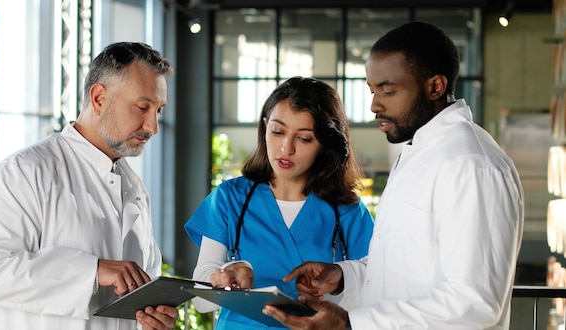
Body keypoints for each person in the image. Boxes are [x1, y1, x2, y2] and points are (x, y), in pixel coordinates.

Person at [263, 21, 525, 329]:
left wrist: (351, 322)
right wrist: (344, 276)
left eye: (388, 91)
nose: (375, 105)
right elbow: (399, 267)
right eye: (373, 91)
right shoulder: (418, 152)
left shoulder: (472, 165)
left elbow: (474, 302)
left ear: (435, 87)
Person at [0, 42, 178, 330]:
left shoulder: (135, 188)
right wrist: (94, 270)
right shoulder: (23, 173)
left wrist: (151, 318)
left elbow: (139, 290)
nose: (152, 127)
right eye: (142, 107)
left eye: (159, 110)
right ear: (99, 98)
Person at [184, 76, 375, 329]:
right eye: (277, 131)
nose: (286, 148)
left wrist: (337, 281)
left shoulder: (347, 209)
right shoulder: (230, 198)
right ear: (265, 127)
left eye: (304, 138)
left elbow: (374, 287)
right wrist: (227, 277)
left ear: (325, 144)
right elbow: (201, 300)